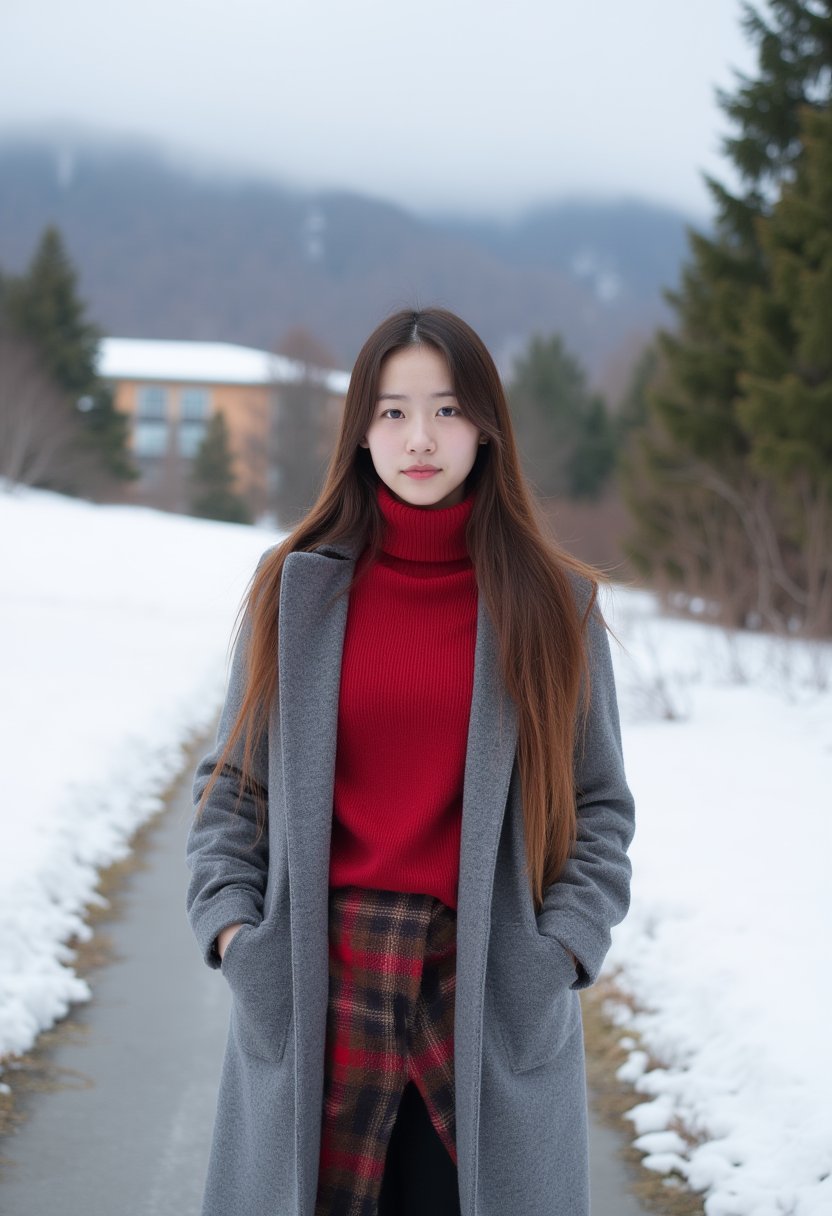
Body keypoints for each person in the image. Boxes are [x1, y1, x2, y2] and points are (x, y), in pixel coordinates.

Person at [186, 307, 635, 1216]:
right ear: (359, 429)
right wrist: (240, 938)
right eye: (392, 412)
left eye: (447, 409)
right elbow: (233, 789)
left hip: (483, 992)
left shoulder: (557, 607)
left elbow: (599, 812)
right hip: (317, 987)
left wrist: (551, 955)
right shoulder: (293, 588)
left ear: (486, 427)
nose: (419, 438)